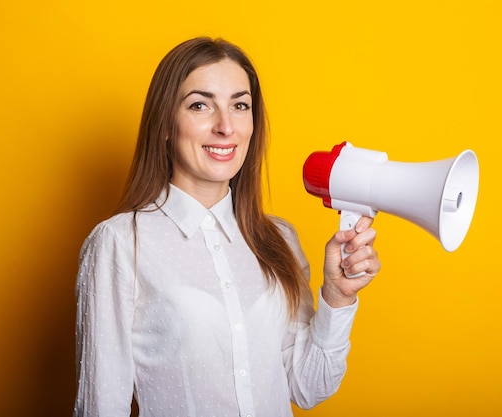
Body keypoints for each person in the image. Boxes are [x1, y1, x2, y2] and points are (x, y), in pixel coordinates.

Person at [74, 37, 381, 417]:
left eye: (240, 105)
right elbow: (101, 406)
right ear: (166, 123)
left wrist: (337, 297)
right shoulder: (120, 243)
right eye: (200, 105)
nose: (226, 126)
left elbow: (308, 387)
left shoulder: (279, 239)